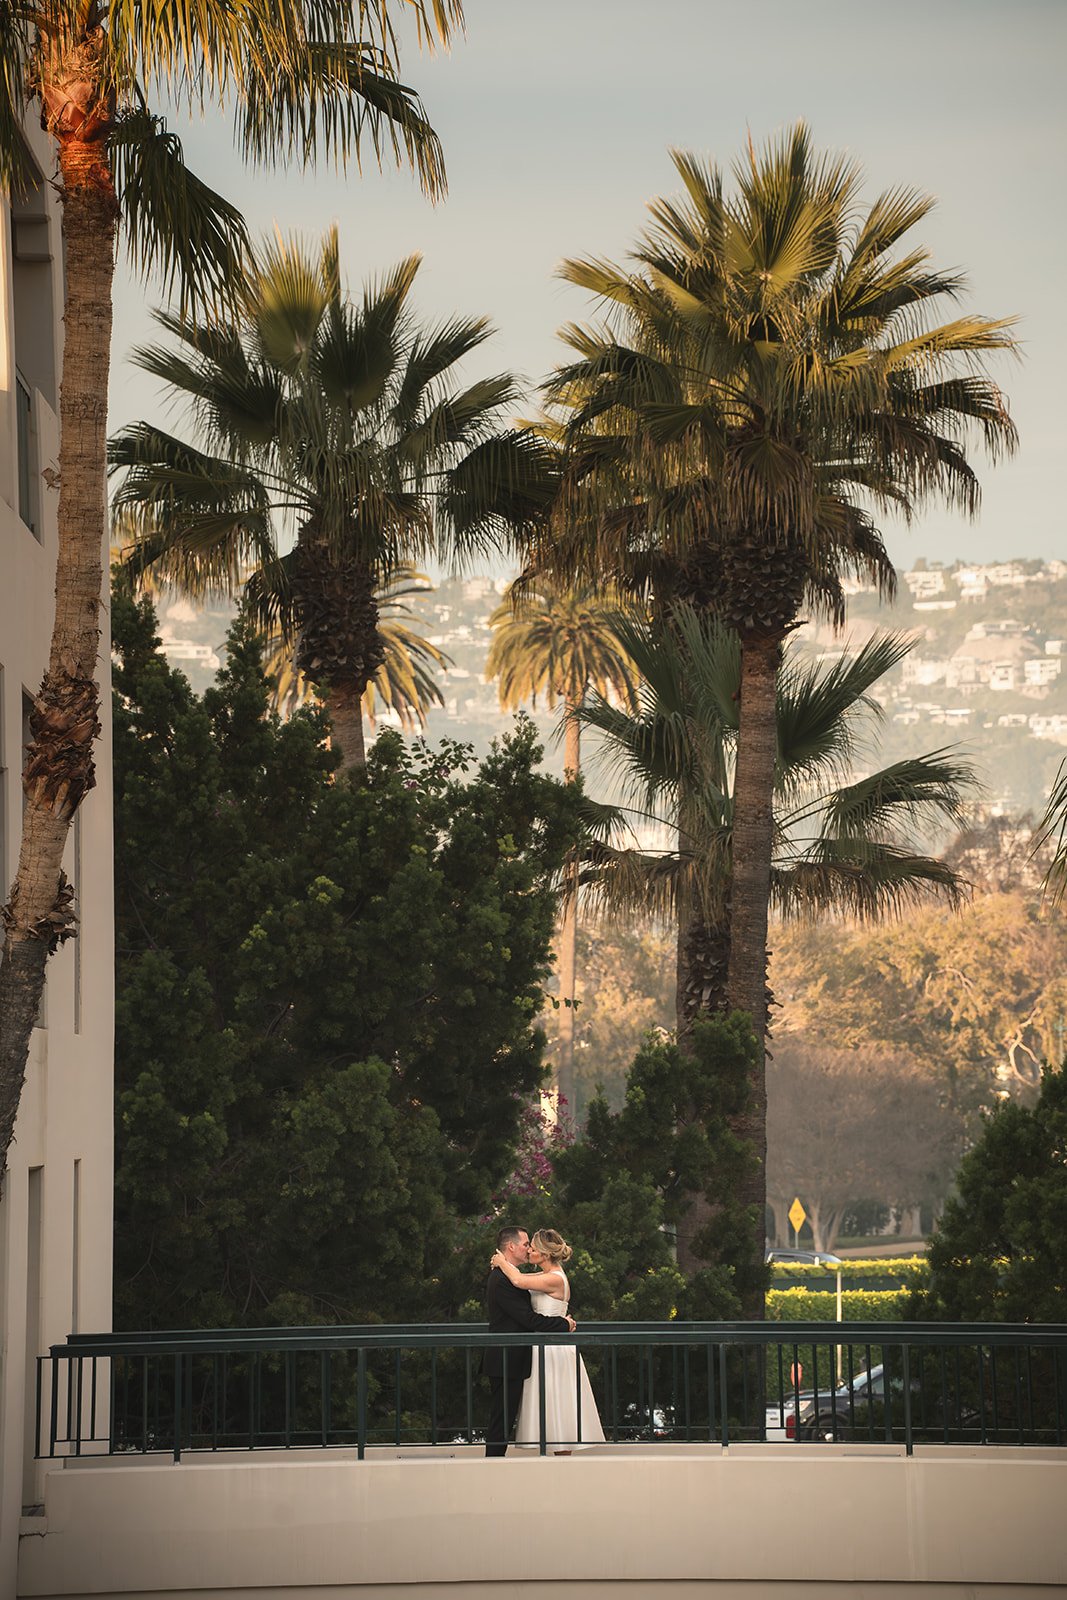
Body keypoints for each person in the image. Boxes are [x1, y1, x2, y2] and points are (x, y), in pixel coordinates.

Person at [489, 1226, 605, 1454]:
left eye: (532, 1247)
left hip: (555, 1351)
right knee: (549, 1410)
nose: (529, 1250)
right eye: (527, 1245)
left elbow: (520, 1282)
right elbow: (519, 1279)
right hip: (541, 1350)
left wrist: (501, 1262)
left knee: (559, 1407)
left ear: (544, 1253)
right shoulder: (543, 1276)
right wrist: (505, 1265)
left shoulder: (554, 1279)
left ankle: (562, 1463)